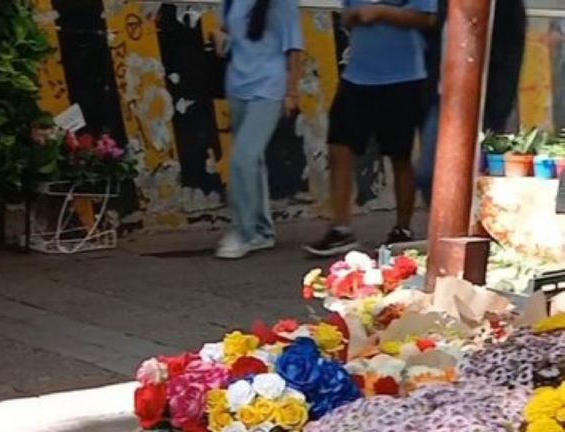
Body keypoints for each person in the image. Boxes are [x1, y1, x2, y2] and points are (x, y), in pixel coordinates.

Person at [304, 0, 438, 257]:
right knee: (339, 147)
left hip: (404, 78)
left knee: (400, 154)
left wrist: (383, 12)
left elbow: (428, 19)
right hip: (357, 76)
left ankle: (403, 228)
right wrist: (354, 16)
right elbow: (346, 16)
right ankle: (340, 228)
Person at [214, 0, 303, 259]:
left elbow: (294, 48)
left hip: (269, 88)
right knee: (253, 160)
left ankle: (244, 233)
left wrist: (292, 92)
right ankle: (262, 230)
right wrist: (220, 37)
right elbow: (228, 32)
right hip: (237, 86)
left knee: (243, 158)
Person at [416, 0, 527, 207]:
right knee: (428, 175)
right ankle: (443, 225)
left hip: (484, 103)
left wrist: (499, 106)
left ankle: (468, 227)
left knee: (474, 173)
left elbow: (510, 54)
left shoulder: (503, 6)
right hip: (441, 99)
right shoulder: (442, 4)